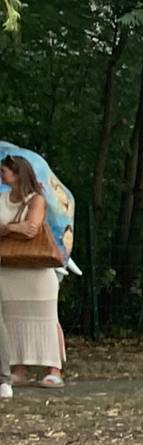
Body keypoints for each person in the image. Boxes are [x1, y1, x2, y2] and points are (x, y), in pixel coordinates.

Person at [1, 153, 67, 389]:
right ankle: (19, 369)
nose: (1, 175)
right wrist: (14, 228)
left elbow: (32, 228)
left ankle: (54, 369)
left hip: (36, 271)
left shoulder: (36, 200)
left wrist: (6, 228)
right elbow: (22, 228)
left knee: (46, 318)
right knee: (12, 319)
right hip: (9, 269)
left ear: (18, 173)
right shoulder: (2, 199)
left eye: (4, 171)